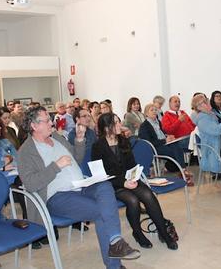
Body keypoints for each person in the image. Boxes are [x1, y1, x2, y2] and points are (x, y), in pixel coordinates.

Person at [18, 106, 140, 268]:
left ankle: (115, 241)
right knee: (102, 211)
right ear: (34, 126)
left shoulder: (57, 138)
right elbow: (31, 184)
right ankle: (114, 260)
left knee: (104, 186)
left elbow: (76, 158)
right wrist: (55, 166)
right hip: (57, 196)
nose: (51, 123)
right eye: (47, 120)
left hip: (81, 185)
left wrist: (80, 140)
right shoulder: (26, 151)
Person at [92, 113, 178, 250]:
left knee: (148, 195)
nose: (120, 125)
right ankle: (137, 233)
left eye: (119, 121)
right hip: (112, 185)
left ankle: (163, 232)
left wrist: (133, 176)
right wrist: (123, 182)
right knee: (132, 200)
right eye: (116, 123)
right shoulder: (97, 146)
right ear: (107, 127)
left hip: (128, 180)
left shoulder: (123, 140)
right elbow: (100, 175)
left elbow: (131, 164)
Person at [138, 104, 191, 184]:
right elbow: (148, 143)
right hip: (155, 147)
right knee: (175, 150)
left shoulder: (158, 122)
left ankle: (182, 170)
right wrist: (165, 141)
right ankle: (183, 171)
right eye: (152, 110)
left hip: (164, 144)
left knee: (177, 145)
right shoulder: (144, 126)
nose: (154, 111)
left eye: (155, 110)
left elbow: (162, 134)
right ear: (146, 113)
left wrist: (168, 136)